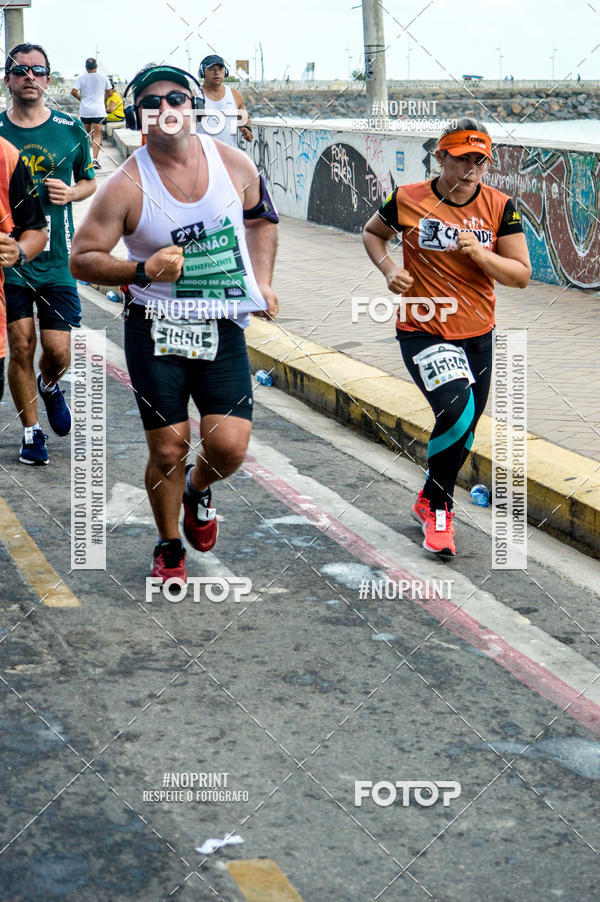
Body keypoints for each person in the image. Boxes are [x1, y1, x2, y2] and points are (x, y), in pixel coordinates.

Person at [70, 64, 278, 583]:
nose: (167, 109)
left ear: (194, 107)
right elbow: (83, 259)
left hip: (221, 323)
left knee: (228, 447)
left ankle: (197, 488)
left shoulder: (233, 163)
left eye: (177, 99)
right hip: (154, 326)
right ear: (141, 116)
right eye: (154, 102)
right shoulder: (124, 185)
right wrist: (142, 268)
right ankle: (169, 546)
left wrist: (265, 281)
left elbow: (261, 219)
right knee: (168, 446)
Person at [363, 118, 531, 557]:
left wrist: (479, 253)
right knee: (456, 410)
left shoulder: (501, 206)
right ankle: (440, 511)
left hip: (477, 332)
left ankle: (427, 495)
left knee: (466, 428)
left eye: (480, 161)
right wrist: (389, 270)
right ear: (440, 157)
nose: (472, 169)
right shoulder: (407, 199)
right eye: (462, 160)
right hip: (422, 328)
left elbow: (521, 276)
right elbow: (372, 233)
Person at [2, 42, 96, 465]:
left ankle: (50, 383)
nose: (29, 77)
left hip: (57, 256)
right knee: (21, 344)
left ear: (48, 79)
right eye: (20, 71)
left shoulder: (70, 129)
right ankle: (31, 431)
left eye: (37, 71)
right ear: (7, 80)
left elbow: (89, 181)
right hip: (10, 258)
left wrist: (74, 191)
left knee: (57, 349)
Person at [197, 54, 252, 147]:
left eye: (220, 69)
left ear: (225, 72)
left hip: (229, 156)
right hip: (202, 156)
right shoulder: (193, 95)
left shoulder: (235, 95)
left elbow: (244, 120)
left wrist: (246, 130)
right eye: (211, 69)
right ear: (202, 72)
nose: (216, 72)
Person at [71, 57, 111, 169]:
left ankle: (84, 160)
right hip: (99, 111)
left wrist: (82, 99)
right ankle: (95, 160)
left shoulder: (80, 78)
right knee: (97, 136)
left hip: (85, 111)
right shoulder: (103, 77)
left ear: (86, 67)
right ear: (96, 66)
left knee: (85, 136)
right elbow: (110, 92)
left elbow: (73, 92)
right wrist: (104, 100)